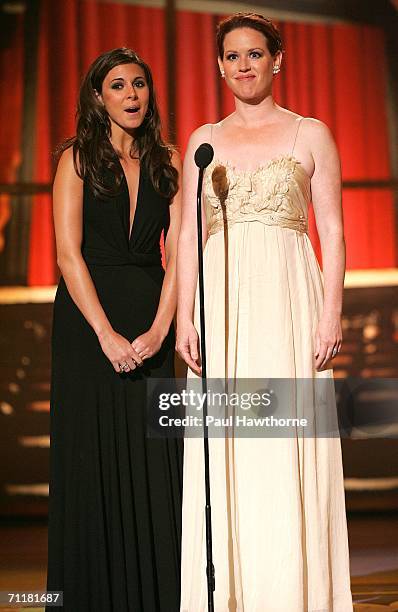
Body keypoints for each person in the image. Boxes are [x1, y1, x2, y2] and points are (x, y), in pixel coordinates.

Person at [176, 13, 353, 612]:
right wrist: (184, 319)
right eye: (231, 56)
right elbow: (186, 239)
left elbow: (330, 225)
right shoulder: (203, 139)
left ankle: (294, 594)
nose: (243, 65)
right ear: (219, 65)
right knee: (230, 444)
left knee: (286, 439)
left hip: (289, 299)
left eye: (254, 53)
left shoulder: (310, 133)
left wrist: (331, 313)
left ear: (278, 59)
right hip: (223, 307)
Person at [47, 48, 182, 611]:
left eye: (140, 85)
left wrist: (159, 330)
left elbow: (179, 256)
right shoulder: (77, 160)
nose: (131, 95)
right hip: (88, 327)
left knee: (158, 460)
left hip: (152, 322)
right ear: (97, 97)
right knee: (92, 461)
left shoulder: (170, 160)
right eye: (118, 86)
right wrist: (106, 334)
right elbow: (67, 255)